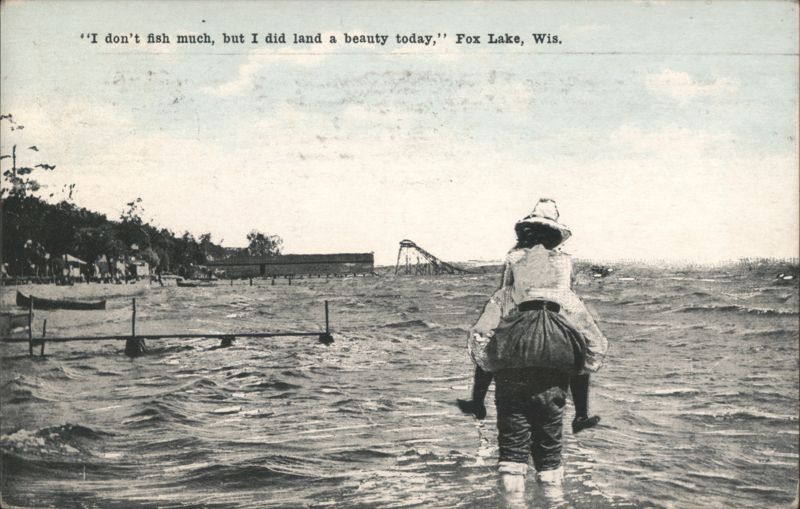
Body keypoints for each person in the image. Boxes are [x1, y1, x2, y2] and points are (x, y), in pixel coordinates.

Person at [457, 198, 609, 499]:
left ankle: (477, 402)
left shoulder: (513, 258)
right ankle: (580, 416)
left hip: (514, 364)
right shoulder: (564, 262)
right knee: (580, 353)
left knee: (488, 344)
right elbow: (592, 343)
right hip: (554, 353)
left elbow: (491, 319)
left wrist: (491, 354)